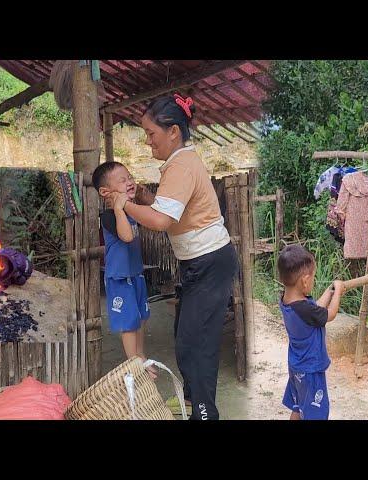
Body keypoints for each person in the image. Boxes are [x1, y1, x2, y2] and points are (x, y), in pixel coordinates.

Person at [108, 93, 238, 420]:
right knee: (187, 340)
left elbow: (160, 221)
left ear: (173, 132)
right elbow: (171, 209)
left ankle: (205, 413)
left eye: (152, 134)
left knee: (196, 346)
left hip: (209, 264)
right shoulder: (180, 163)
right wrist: (146, 197)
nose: (148, 142)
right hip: (202, 264)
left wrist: (123, 205)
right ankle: (195, 402)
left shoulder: (181, 165)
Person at [92, 161, 156, 378]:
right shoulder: (110, 216)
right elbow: (127, 237)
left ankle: (140, 355)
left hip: (135, 274)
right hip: (119, 278)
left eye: (130, 177)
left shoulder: (130, 211)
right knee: (129, 323)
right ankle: (134, 363)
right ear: (105, 192)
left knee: (142, 317)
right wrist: (119, 208)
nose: (129, 182)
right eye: (122, 180)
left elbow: (154, 219)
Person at [277, 244, 345, 420]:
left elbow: (314, 309)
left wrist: (329, 293)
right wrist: (338, 291)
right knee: (316, 414)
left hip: (296, 367)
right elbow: (329, 314)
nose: (313, 281)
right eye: (313, 277)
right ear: (305, 281)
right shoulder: (305, 310)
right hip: (311, 370)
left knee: (298, 407)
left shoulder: (287, 301)